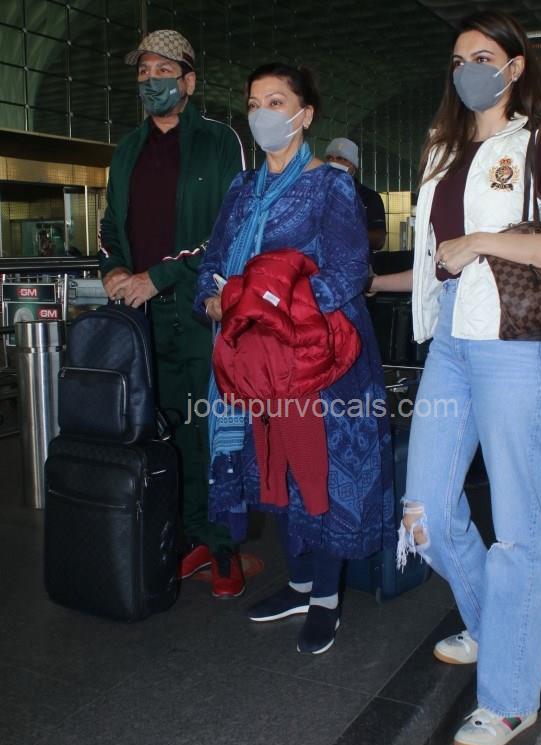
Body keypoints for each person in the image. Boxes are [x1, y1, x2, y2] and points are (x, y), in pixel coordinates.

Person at [396, 11, 541, 745]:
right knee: (424, 509)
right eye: (458, 59)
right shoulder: (443, 148)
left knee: (516, 530)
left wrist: (483, 240)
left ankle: (511, 697)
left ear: (515, 68)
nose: (468, 70)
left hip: (515, 343)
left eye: (483, 57)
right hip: (451, 338)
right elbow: (435, 258)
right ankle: (495, 624)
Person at [195, 63, 394, 655]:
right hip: (256, 365)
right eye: (254, 103)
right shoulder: (241, 190)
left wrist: (271, 306)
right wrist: (215, 299)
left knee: (321, 475)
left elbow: (348, 272)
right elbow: (214, 262)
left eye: (276, 101)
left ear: (305, 115)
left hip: (320, 362)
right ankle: (301, 585)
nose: (262, 114)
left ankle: (326, 599)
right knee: (275, 470)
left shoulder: (331, 185)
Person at [98, 30, 246, 599]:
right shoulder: (127, 150)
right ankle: (185, 537)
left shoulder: (218, 142)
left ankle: (223, 545)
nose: (150, 80)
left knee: (214, 428)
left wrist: (157, 277)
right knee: (164, 429)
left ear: (188, 81)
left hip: (198, 310)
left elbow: (228, 230)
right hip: (142, 320)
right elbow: (111, 225)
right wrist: (113, 268)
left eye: (163, 70)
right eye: (143, 71)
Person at [325, 137, 387, 260]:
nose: (333, 162)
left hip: (356, 264)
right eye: (329, 158)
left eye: (340, 158)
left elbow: (379, 240)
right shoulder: (317, 192)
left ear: (353, 165)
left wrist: (345, 231)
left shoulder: (369, 197)